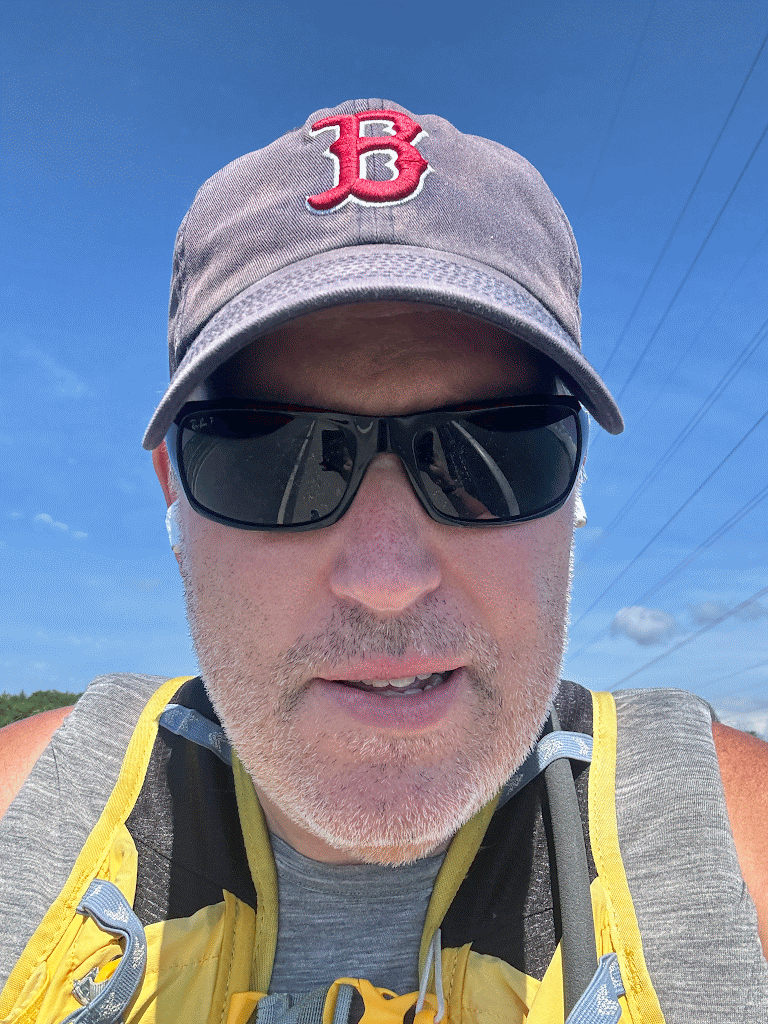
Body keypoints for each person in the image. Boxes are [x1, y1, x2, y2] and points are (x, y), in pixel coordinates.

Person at [1, 99, 766, 1024]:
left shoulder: (739, 855)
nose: (387, 577)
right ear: (175, 495)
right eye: (271, 460)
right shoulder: (23, 817)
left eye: (491, 452)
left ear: (572, 486)